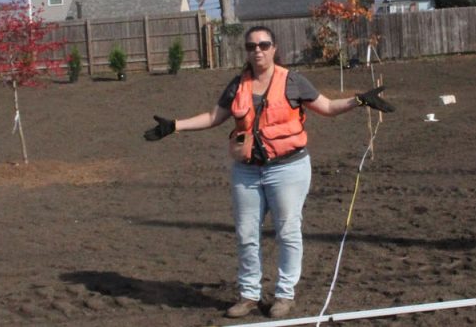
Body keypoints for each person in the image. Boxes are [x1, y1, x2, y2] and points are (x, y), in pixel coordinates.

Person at [142, 25, 395, 319]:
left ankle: (284, 295)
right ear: (246, 51)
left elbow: (326, 107)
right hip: (247, 171)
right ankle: (249, 294)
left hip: (288, 168)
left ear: (274, 48)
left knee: (288, 232)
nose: (257, 50)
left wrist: (359, 100)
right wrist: (174, 125)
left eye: (263, 45)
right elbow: (214, 117)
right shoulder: (238, 85)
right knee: (246, 233)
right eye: (251, 46)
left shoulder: (293, 81)